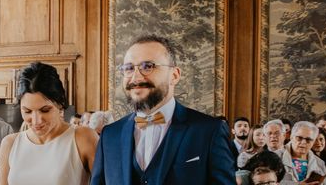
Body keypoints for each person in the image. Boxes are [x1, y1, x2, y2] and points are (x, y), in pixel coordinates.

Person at [90, 35, 236, 185]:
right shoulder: (110, 135)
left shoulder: (209, 131)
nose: (136, 77)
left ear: (174, 75)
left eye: (147, 66)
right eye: (128, 68)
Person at [0, 62, 97, 185]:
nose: (36, 121)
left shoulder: (83, 138)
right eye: (27, 111)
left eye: (45, 110)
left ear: (60, 103)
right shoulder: (9, 144)